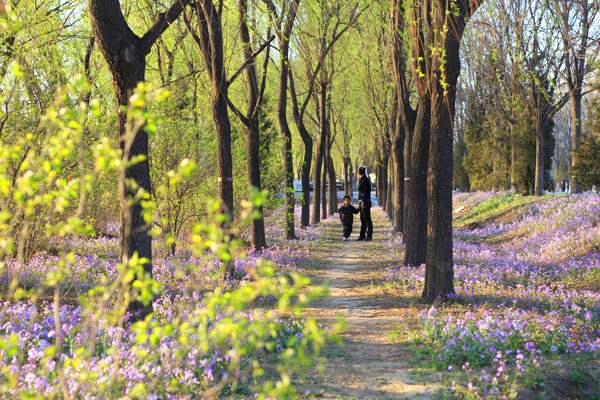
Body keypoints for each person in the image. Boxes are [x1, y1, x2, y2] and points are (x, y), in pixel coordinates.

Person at [356, 166, 373, 241]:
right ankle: (362, 235)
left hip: (365, 202)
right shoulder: (362, 180)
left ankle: (369, 235)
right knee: (362, 219)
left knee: (367, 219)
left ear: (358, 173)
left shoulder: (365, 180)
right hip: (361, 202)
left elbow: (366, 193)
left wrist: (363, 202)